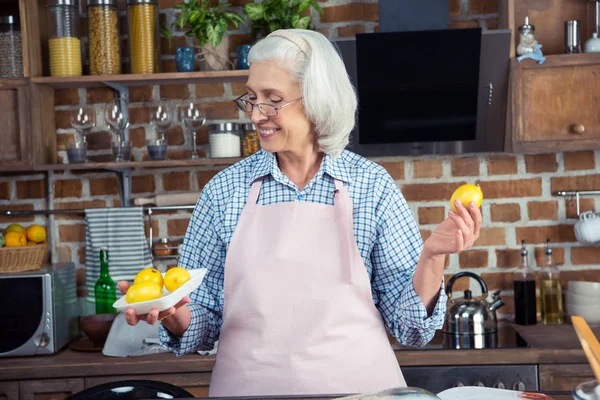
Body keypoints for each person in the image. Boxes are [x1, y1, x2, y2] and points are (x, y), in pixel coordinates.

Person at [119, 29, 482, 397]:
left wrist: (433, 257)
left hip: (360, 393)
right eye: (251, 98)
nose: (257, 115)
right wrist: (173, 313)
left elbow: (410, 328)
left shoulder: (371, 187)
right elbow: (204, 321)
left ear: (317, 100)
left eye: (273, 99)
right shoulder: (223, 192)